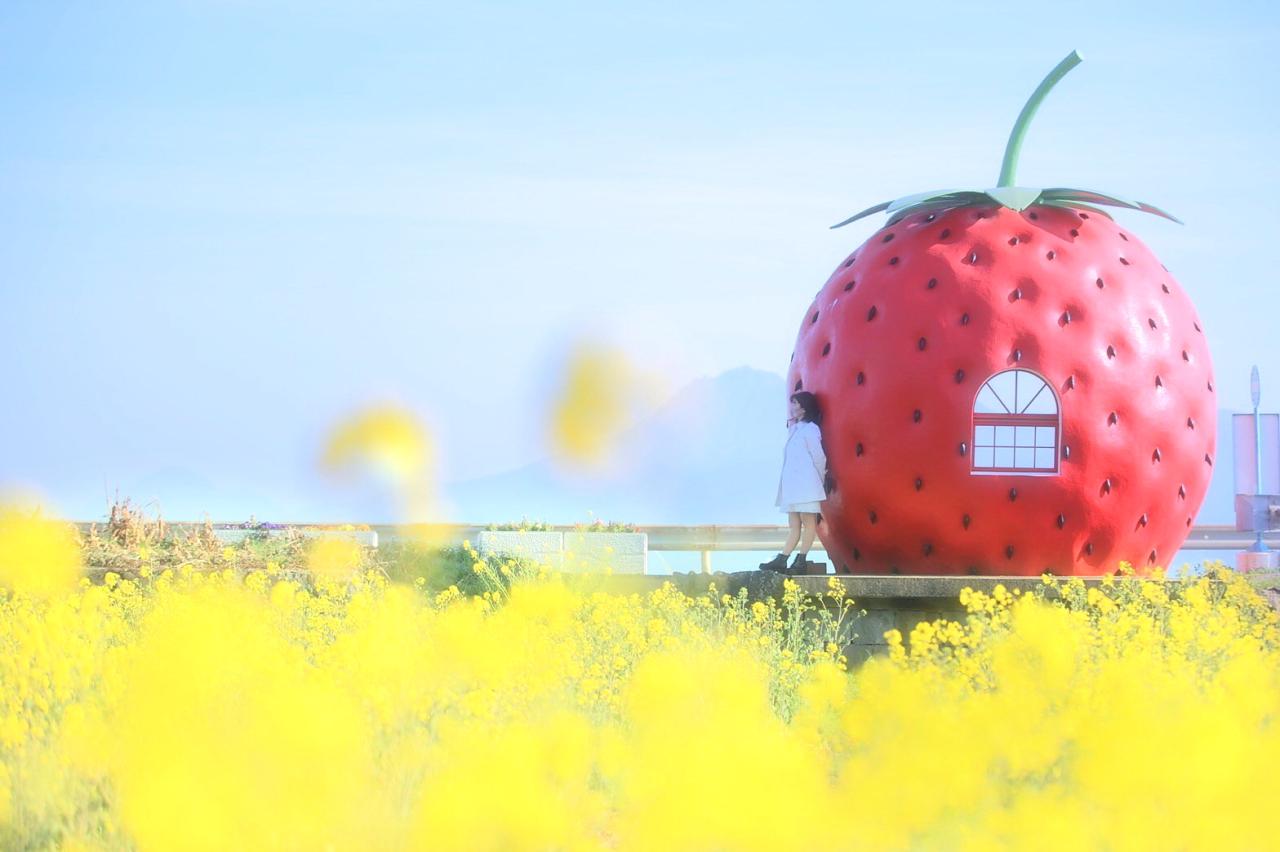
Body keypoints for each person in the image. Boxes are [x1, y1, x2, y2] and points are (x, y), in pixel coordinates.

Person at [760, 391, 829, 574]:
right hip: (793, 486)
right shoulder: (795, 430)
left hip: (807, 484)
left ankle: (801, 559)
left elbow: (818, 457)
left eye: (796, 403)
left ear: (805, 407)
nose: (792, 407)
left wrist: (819, 480)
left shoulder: (811, 429)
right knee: (794, 524)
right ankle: (783, 558)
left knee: (808, 522)